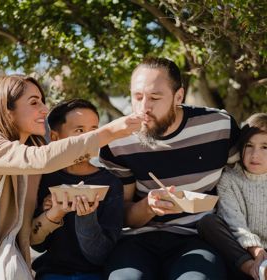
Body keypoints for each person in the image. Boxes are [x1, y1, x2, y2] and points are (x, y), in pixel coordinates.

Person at [0, 75, 142, 280]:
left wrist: (54, 213)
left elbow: (29, 236)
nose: (44, 109)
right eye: (34, 102)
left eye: (42, 101)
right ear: (6, 108)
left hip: (11, 262)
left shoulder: (33, 169)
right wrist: (110, 131)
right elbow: (41, 158)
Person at [99, 57, 240, 280]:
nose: (144, 107)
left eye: (155, 97)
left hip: (199, 237)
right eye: (137, 97)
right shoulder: (118, 141)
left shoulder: (219, 126)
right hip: (137, 240)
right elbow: (122, 216)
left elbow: (242, 182)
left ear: (179, 96)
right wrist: (148, 207)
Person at [30, 99, 124, 280]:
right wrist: (49, 213)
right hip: (52, 272)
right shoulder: (44, 179)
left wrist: (87, 218)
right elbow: (38, 246)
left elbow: (99, 256)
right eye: (79, 131)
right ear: (56, 138)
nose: (89, 139)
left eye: (94, 131)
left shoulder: (110, 183)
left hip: (97, 274)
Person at [211, 113, 267, 280]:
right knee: (208, 223)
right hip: (242, 253)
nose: (255, 155)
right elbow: (235, 223)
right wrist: (257, 252)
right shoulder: (229, 178)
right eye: (249, 145)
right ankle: (252, 269)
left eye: (265, 147)